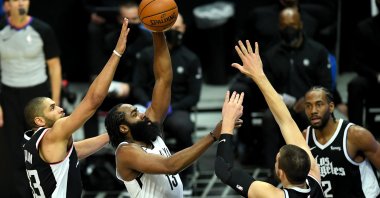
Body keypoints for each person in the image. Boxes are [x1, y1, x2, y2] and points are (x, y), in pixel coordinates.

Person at [105, 29, 241, 198]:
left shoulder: (149, 128)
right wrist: (214, 134)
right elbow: (170, 166)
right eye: (134, 114)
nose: (141, 114)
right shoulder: (125, 152)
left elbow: (163, 78)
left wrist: (157, 32)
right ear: (124, 128)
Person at [22, 18, 130, 197]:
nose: (60, 109)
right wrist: (117, 53)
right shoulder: (53, 133)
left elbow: (74, 152)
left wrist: (111, 135)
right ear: (39, 120)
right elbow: (93, 100)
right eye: (52, 108)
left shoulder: (32, 142)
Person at [215, 40, 324, 198]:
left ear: (280, 173)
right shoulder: (314, 177)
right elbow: (285, 120)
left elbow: (224, 170)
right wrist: (259, 75)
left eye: (277, 160)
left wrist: (227, 123)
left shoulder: (275, 195)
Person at [259, 7, 339, 172]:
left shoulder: (317, 51)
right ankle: (272, 171)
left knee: (312, 114)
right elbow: (266, 86)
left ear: (301, 25)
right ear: (279, 27)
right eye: (285, 25)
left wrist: (307, 101)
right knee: (268, 118)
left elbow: (326, 84)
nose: (289, 29)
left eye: (293, 25)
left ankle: (315, 166)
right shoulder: (271, 55)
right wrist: (279, 101)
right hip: (281, 105)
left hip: (309, 104)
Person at [0, 0, 62, 196]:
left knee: (42, 144)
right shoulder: (1, 30)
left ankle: (47, 190)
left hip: (37, 93)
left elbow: (54, 67)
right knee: (12, 148)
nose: (20, 2)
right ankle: (18, 193)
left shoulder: (43, 29)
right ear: (7, 5)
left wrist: (54, 102)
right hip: (9, 95)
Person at [133, 13, 202, 186]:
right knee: (138, 126)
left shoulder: (191, 59)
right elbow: (137, 86)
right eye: (170, 29)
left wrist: (169, 107)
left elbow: (193, 96)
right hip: (148, 107)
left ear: (184, 29)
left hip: (176, 108)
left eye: (177, 29)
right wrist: (149, 105)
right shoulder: (146, 55)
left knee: (182, 126)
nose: (174, 33)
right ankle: (140, 174)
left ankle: (184, 176)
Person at [84, 0, 152, 138]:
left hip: (140, 91)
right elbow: (103, 70)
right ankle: (94, 156)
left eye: (136, 18)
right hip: (116, 89)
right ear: (120, 19)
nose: (133, 23)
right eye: (128, 19)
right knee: (87, 102)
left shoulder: (148, 41)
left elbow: (152, 75)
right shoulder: (110, 40)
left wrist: (132, 87)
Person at [303, 86, 380, 197]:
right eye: (308, 106)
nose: (313, 111)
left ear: (331, 107)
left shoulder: (355, 135)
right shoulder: (304, 138)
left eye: (319, 104)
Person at [347, 0, 380, 128]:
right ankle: (356, 131)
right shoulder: (364, 28)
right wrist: (376, 75)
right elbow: (357, 62)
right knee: (355, 85)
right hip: (373, 78)